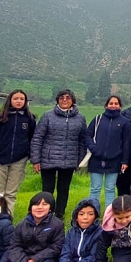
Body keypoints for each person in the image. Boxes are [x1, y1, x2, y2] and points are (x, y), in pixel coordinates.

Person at [31, 89, 87, 219]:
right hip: (48, 159)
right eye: (61, 98)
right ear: (57, 100)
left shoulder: (80, 118)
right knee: (47, 189)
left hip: (69, 160)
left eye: (68, 97)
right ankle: (46, 213)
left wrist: (80, 160)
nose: (65, 100)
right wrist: (35, 160)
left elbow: (82, 141)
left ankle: (59, 215)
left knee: (63, 189)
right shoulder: (47, 116)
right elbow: (38, 137)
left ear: (73, 100)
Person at [0, 89, 37, 214]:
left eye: (21, 99)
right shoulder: (0, 118)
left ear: (25, 101)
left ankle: (7, 221)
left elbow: (33, 139)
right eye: (16, 98)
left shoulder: (29, 119)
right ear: (10, 100)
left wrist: (30, 155)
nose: (19, 101)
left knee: (11, 193)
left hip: (19, 160)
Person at [86, 95, 131, 205]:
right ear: (106, 105)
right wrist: (94, 149)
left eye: (116, 103)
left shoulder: (124, 122)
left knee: (110, 189)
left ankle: (109, 215)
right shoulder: (98, 119)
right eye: (111, 103)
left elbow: (126, 142)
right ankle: (93, 212)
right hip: (96, 159)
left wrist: (125, 161)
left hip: (114, 160)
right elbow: (88, 135)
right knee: (95, 188)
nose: (113, 105)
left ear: (120, 106)